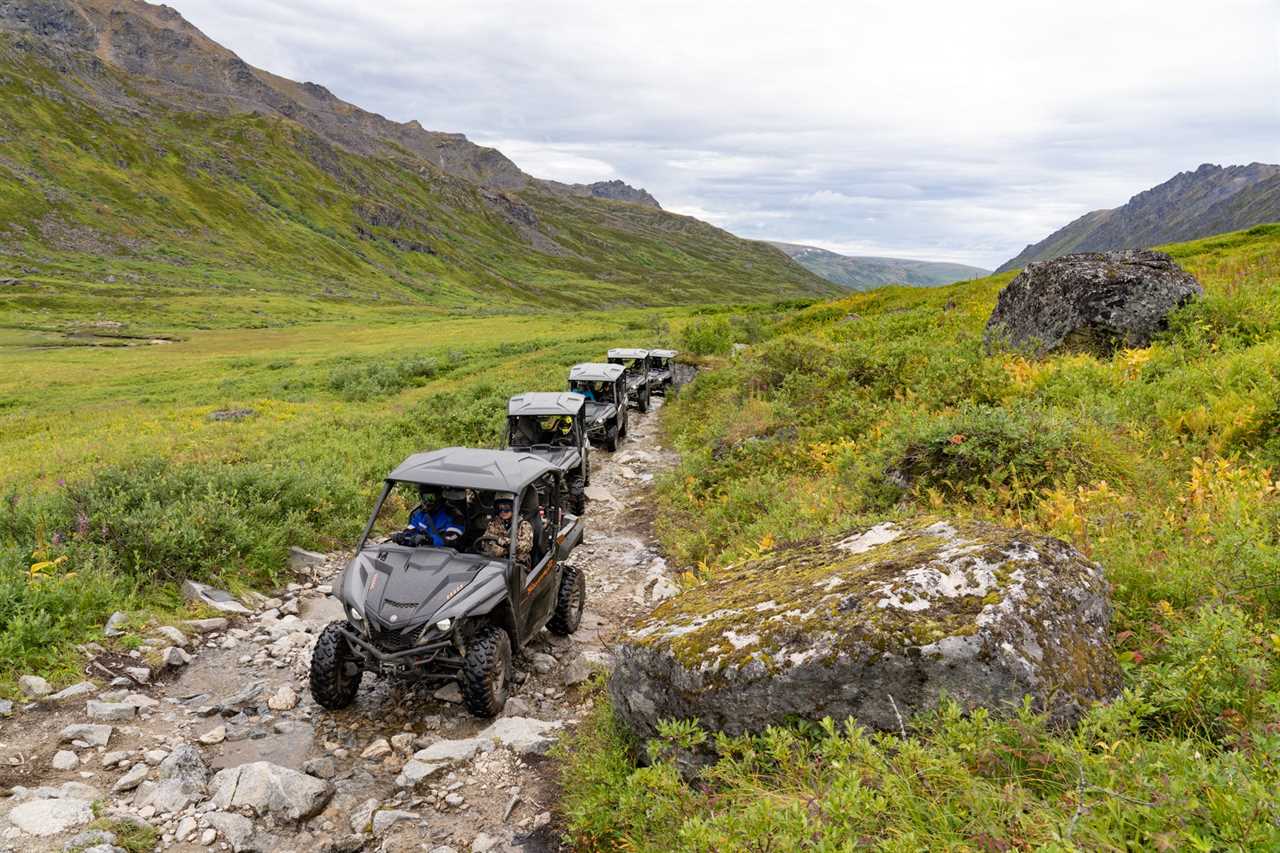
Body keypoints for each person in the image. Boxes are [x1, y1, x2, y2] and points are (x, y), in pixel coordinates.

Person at [393, 485, 464, 547]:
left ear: (439, 497)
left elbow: (451, 539)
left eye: (429, 497)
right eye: (422, 497)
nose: (425, 501)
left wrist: (429, 540)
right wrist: (402, 537)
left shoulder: (454, 515)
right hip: (421, 556)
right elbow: (411, 531)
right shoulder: (419, 514)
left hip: (446, 557)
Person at [479, 495, 533, 569]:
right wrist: (504, 551)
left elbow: (525, 546)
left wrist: (503, 541)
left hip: (517, 565)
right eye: (500, 509)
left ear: (513, 509)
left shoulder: (524, 525)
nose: (503, 512)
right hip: (495, 562)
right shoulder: (494, 524)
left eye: (507, 509)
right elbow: (485, 542)